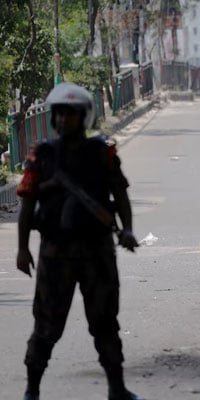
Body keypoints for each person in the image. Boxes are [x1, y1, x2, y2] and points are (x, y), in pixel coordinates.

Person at [15, 82, 141, 400]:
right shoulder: (42, 157)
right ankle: (32, 390)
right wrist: (22, 249)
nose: (63, 121)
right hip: (55, 253)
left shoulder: (101, 153)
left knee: (104, 323)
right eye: (59, 115)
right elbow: (27, 204)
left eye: (70, 115)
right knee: (46, 326)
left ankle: (117, 388)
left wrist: (127, 229)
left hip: (97, 251)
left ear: (82, 117)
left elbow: (120, 193)